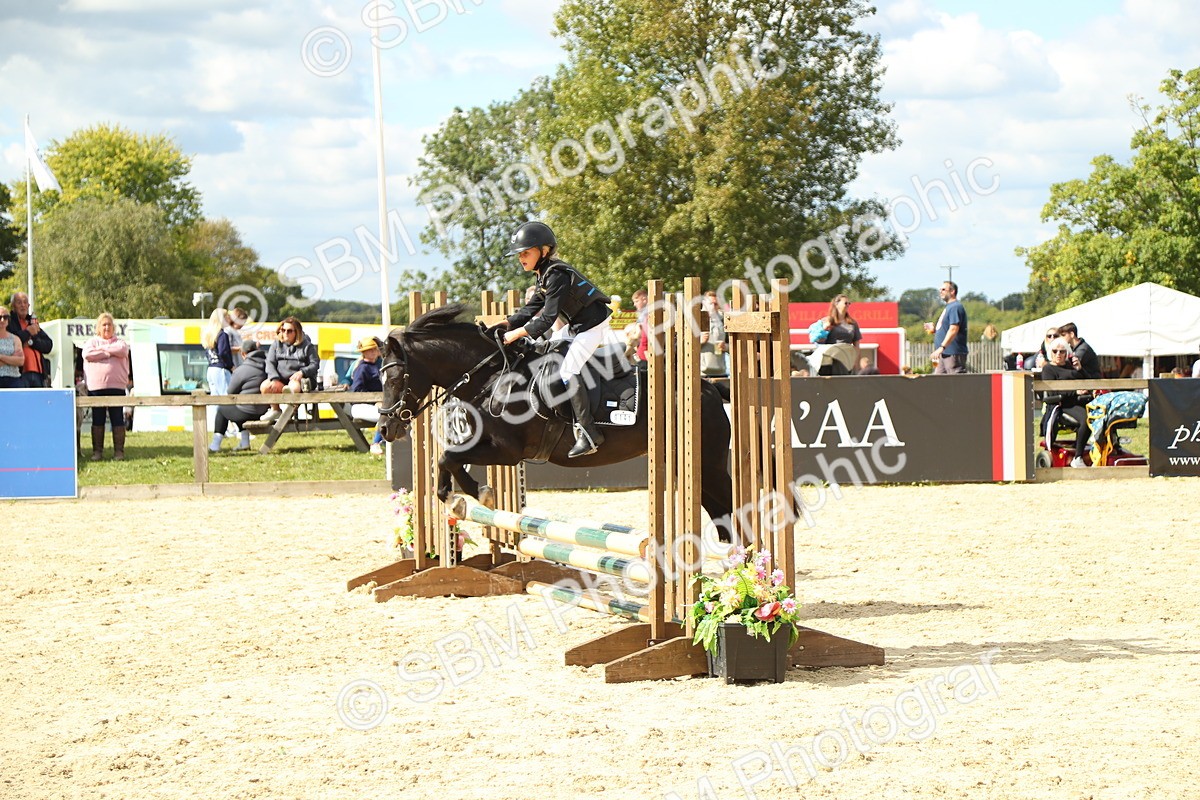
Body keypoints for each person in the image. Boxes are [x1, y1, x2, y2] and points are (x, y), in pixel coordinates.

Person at [493, 221, 613, 458]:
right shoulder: (544, 274)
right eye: (519, 254)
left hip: (592, 326)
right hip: (577, 326)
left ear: (544, 251)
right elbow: (531, 308)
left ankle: (589, 433)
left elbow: (547, 318)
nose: (521, 258)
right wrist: (507, 324)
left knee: (568, 371)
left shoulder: (556, 274)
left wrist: (516, 333)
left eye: (526, 253)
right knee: (548, 347)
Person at [83, 312, 131, 461]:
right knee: (98, 419)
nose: (106, 327)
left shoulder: (120, 342)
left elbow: (123, 351)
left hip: (117, 387)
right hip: (96, 388)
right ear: (98, 327)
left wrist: (103, 352)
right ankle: (97, 452)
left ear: (113, 327)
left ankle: (119, 452)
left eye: (109, 324)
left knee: (118, 418)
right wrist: (110, 352)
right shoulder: (91, 342)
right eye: (103, 324)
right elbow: (87, 354)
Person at [1040, 337, 1092, 468]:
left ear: (1067, 353)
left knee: (1099, 416)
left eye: (1062, 351)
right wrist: (1075, 392)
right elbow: (1053, 393)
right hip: (1062, 405)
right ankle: (1078, 457)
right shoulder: (1048, 370)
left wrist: (1080, 369)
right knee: (1086, 419)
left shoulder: (1071, 367)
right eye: (1055, 351)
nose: (1058, 354)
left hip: (1079, 402)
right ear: (1050, 352)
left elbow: (1090, 382)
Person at [210, 339, 266, 452]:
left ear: (243, 354)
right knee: (239, 408)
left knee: (223, 409)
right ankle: (244, 442)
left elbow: (231, 391)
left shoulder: (241, 370)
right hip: (263, 411)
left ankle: (215, 444)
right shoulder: (267, 366)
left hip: (247, 412)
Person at [260, 316, 319, 421]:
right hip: (280, 379)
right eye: (283, 330)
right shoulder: (276, 344)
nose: (285, 333)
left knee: (293, 387)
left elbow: (315, 364)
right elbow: (270, 362)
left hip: (300, 380)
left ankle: (289, 413)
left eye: (289, 331)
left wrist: (302, 372)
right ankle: (275, 410)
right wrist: (274, 378)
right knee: (265, 386)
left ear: (296, 332)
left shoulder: (307, 346)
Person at [6, 292, 53, 388]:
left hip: (38, 374)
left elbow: (48, 345)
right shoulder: (8, 322)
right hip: (20, 374)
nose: (23, 305)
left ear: (28, 305)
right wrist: (28, 332)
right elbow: (11, 342)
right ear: (13, 306)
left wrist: (32, 343)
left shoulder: (32, 322)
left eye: (25, 302)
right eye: (19, 302)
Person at [202, 308, 234, 430]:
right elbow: (224, 352)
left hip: (211, 369)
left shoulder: (208, 335)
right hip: (221, 369)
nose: (229, 320)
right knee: (227, 399)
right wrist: (231, 366)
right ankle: (233, 428)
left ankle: (219, 428)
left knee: (216, 400)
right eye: (227, 317)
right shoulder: (222, 335)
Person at [930, 281, 968, 374]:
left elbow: (954, 329)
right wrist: (935, 331)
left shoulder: (955, 307)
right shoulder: (949, 307)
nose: (940, 292)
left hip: (953, 354)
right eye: (940, 290)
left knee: (955, 384)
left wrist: (942, 347)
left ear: (952, 291)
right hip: (944, 354)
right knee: (939, 384)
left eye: (943, 289)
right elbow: (947, 330)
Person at [823, 294, 862, 371]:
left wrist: (856, 362)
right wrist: (825, 328)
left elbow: (856, 345)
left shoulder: (853, 323)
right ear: (836, 304)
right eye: (845, 303)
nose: (848, 305)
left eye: (849, 303)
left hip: (846, 359)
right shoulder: (827, 320)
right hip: (830, 359)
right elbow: (819, 339)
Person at [699, 290, 728, 377]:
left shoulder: (724, 320)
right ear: (704, 303)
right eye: (710, 303)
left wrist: (725, 346)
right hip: (701, 372)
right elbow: (684, 346)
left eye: (715, 304)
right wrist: (700, 341)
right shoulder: (696, 320)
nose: (713, 306)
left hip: (721, 371)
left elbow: (734, 344)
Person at [0, 305, 25, 388]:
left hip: (14, 380)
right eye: (0, 317)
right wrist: (12, 358)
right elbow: (16, 360)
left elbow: (20, 361)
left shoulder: (15, 339)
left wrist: (1, 356)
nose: (2, 320)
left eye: (5, 317)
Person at [632, 288, 649, 362]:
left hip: (645, 350)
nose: (634, 304)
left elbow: (639, 330)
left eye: (637, 301)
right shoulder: (642, 313)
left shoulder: (648, 312)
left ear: (644, 299)